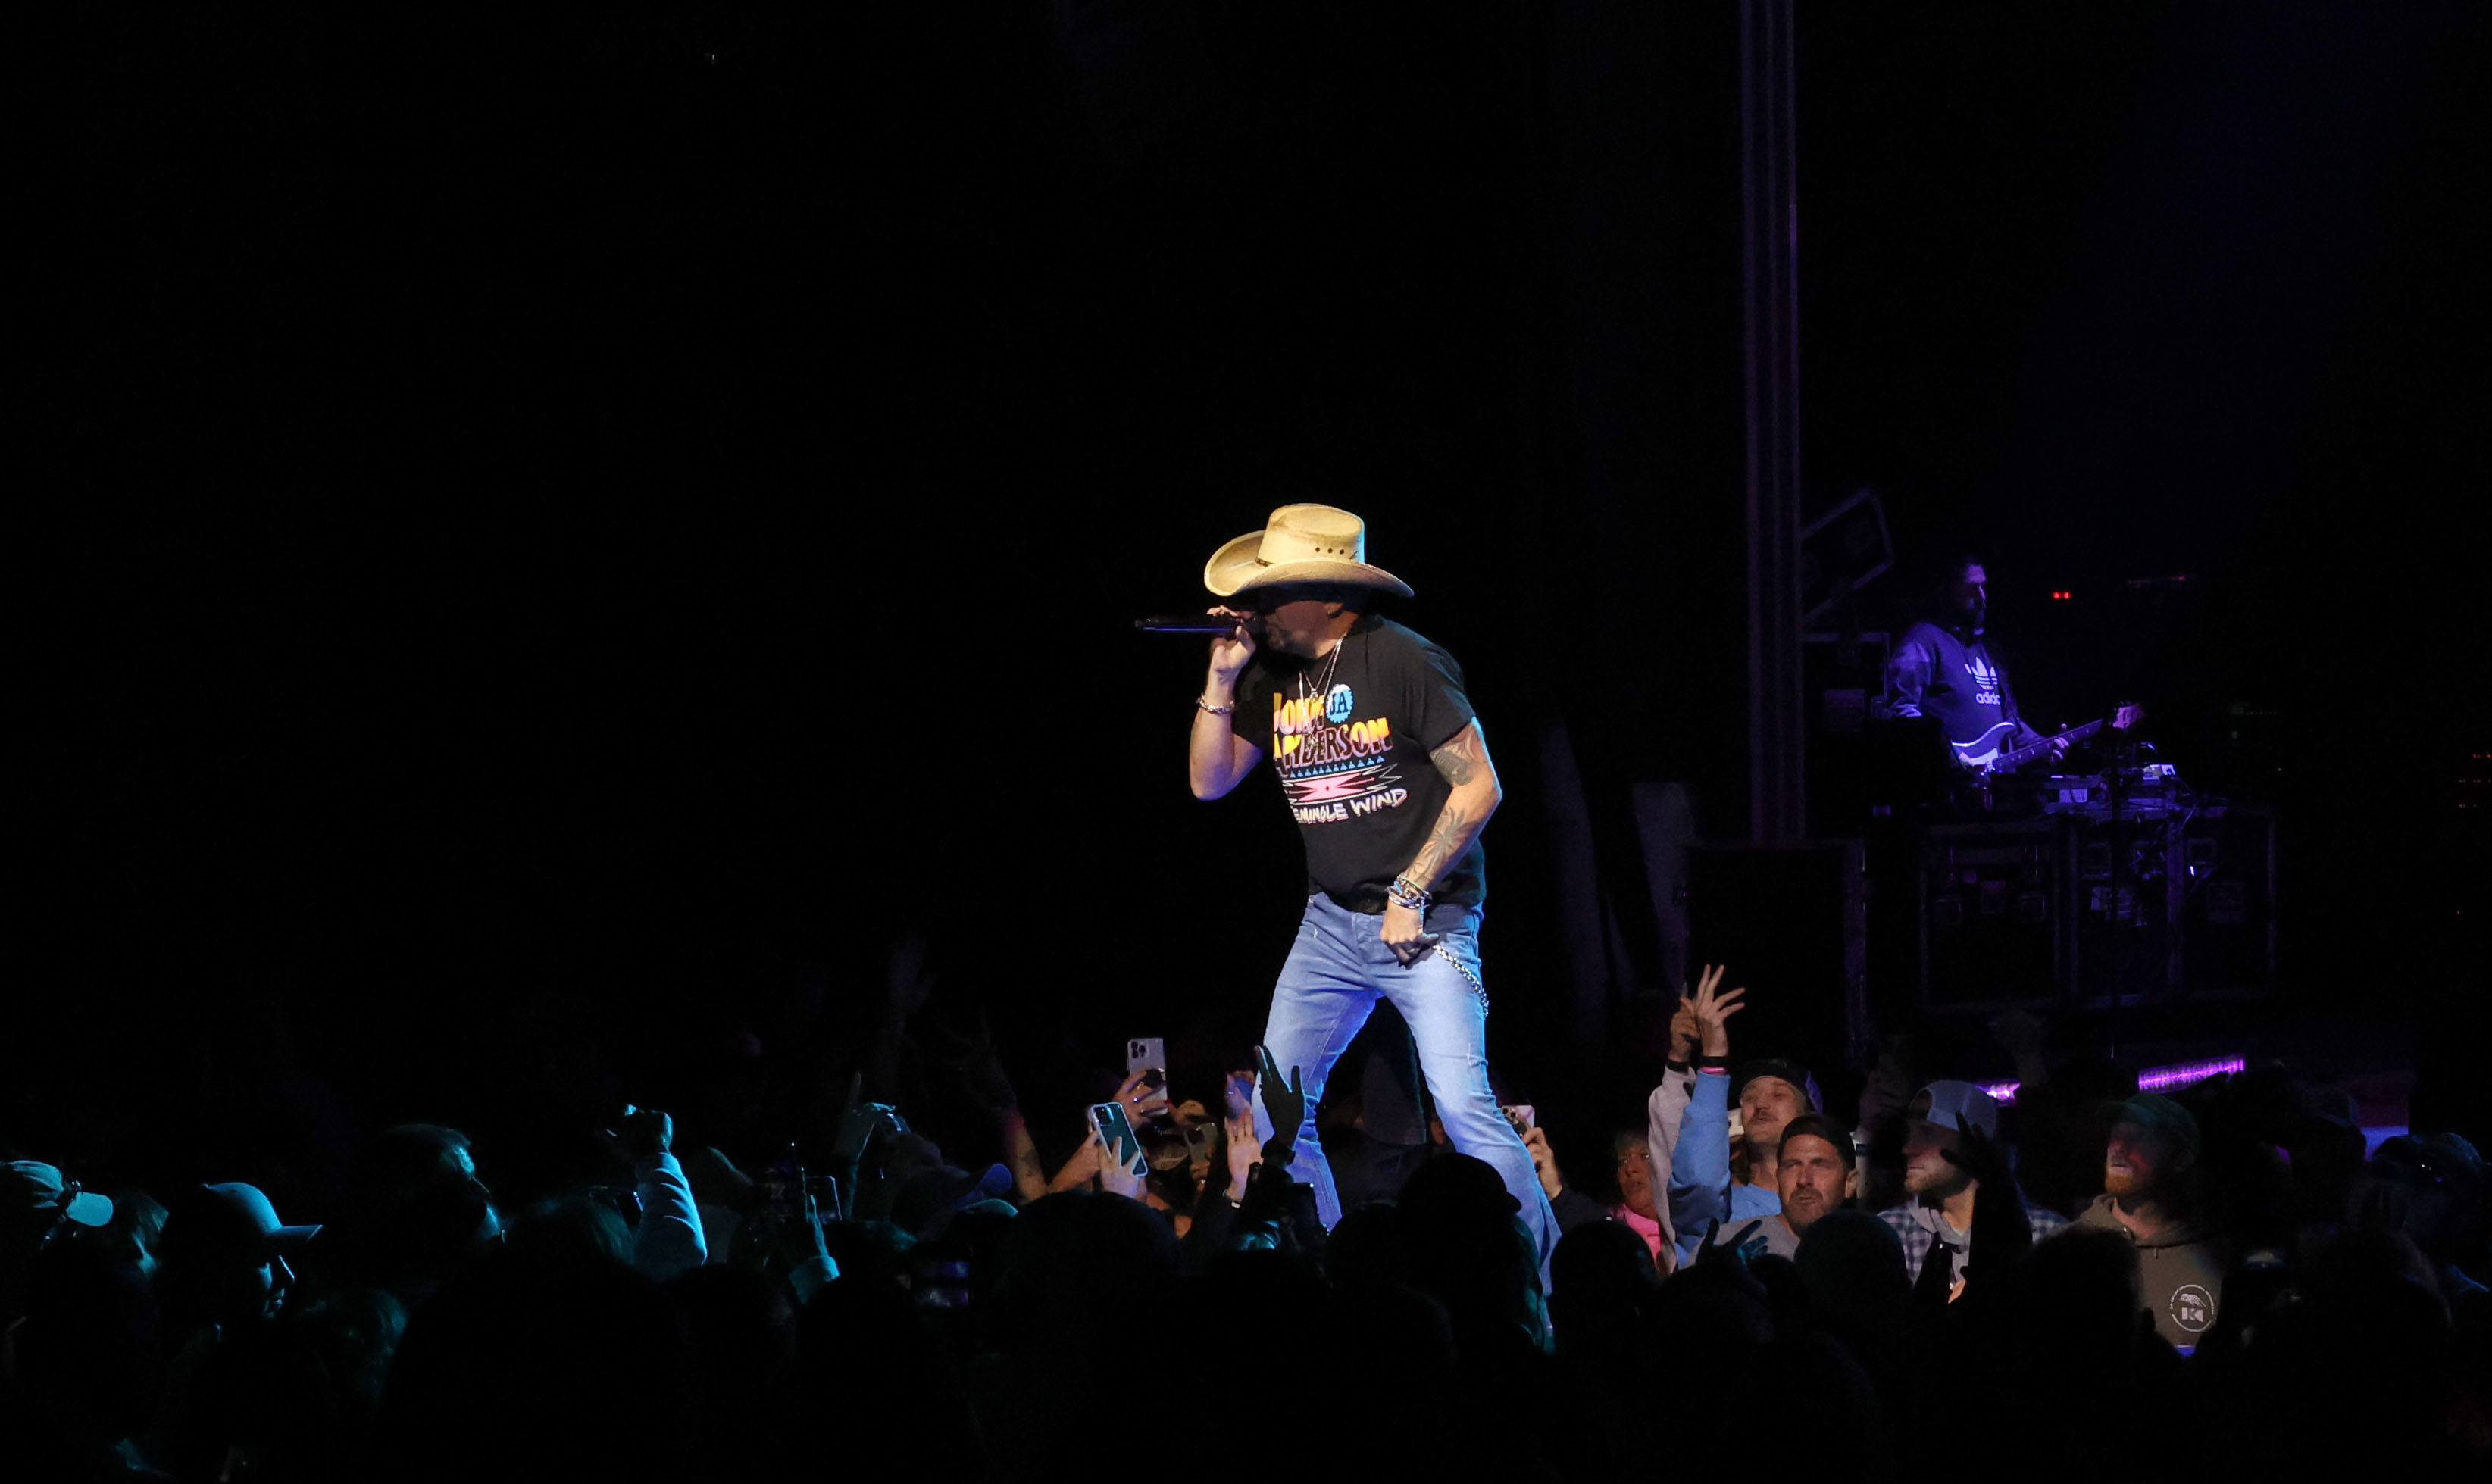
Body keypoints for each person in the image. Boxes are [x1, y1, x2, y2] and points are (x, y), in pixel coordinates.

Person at [1186, 503, 1555, 1270]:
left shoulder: (1407, 662)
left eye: (1270, 592)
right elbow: (1208, 782)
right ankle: (1326, 1267)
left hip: (1426, 924)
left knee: (1462, 1107)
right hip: (1328, 927)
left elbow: (1480, 786)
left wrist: (1412, 889)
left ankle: (1539, 1283)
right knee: (1277, 1114)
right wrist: (1222, 680)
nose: (1255, 609)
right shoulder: (1271, 677)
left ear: (1329, 595)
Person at [1660, 968, 1822, 1268]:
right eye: (1749, 1096)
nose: (1760, 1104)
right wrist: (1713, 1060)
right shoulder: (1722, 1209)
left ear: (1809, 1116)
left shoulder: (1833, 1209)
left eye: (1778, 1094)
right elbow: (1698, 1181)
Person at [1876, 1080, 2067, 1290]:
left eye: (1926, 1132)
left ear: (1973, 1140)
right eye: (1909, 1134)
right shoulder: (1890, 1231)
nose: (1908, 1148)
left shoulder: (2047, 1235)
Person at [1883, 555, 2065, 771]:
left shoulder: (1990, 650)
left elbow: (2010, 723)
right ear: (1948, 591)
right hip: (1946, 790)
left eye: (1983, 587)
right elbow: (1901, 708)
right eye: (1972, 588)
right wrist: (1946, 758)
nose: (1982, 596)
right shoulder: (1924, 640)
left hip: (1995, 791)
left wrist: (2042, 746)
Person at [2073, 1092, 2227, 1346]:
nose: (2119, 1147)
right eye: (2116, 1136)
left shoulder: (2219, 1258)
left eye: (2138, 1137)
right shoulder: (2069, 1248)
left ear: (2180, 1161)